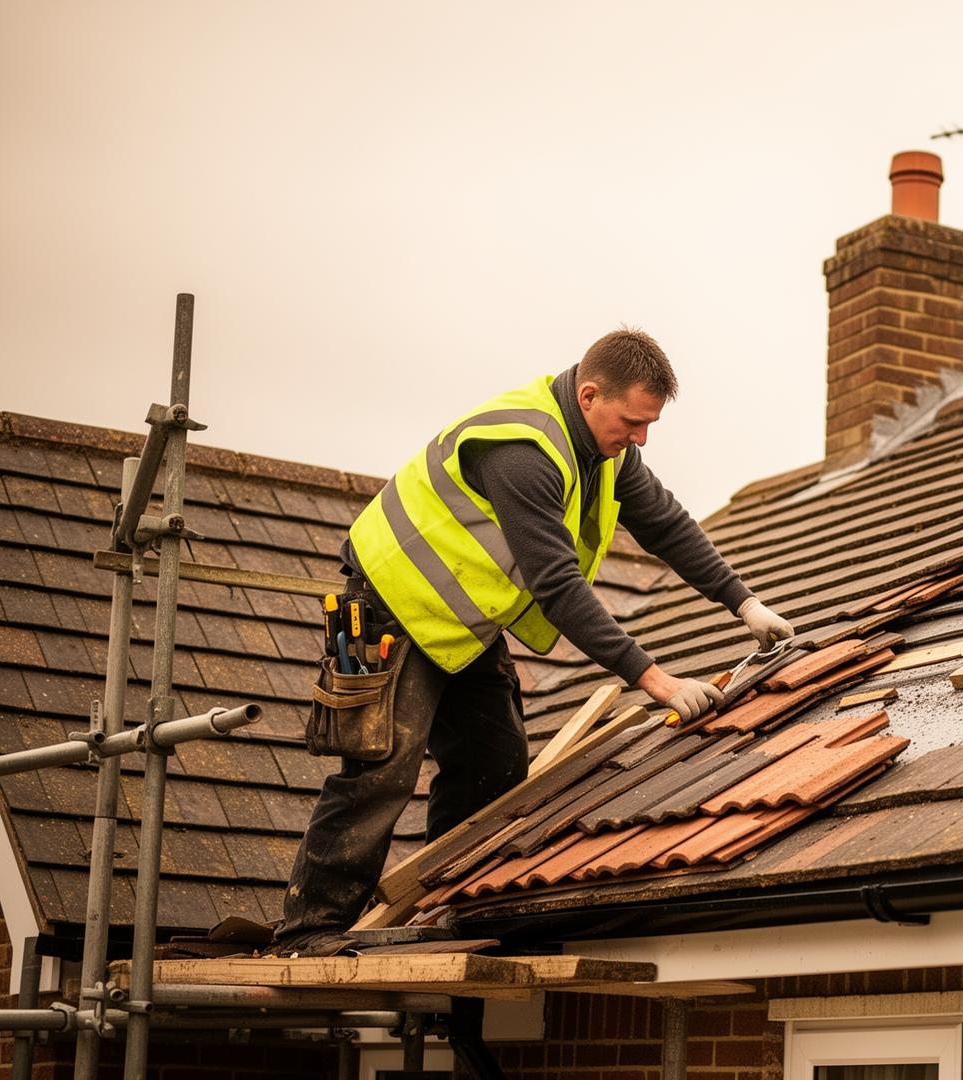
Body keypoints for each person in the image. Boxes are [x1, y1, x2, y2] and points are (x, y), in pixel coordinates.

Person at [273, 328, 792, 955]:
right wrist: (655, 680)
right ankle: (309, 931)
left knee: (494, 766)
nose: (641, 439)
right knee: (383, 769)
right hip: (391, 602)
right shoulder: (523, 448)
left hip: (457, 618)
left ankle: (442, 907)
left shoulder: (605, 449)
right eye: (632, 422)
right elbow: (556, 584)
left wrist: (745, 602)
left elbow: (666, 524)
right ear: (590, 393)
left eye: (649, 425)